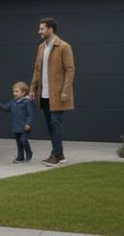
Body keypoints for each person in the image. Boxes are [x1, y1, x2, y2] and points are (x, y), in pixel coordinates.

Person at [28, 17, 75, 167]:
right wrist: (32, 89)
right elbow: (37, 69)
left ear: (50, 29)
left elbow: (70, 70)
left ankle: (56, 154)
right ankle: (59, 154)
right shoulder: (41, 47)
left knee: (55, 123)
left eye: (42, 28)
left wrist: (65, 90)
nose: (39, 31)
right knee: (50, 124)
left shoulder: (64, 46)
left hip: (59, 94)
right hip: (44, 94)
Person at [0, 81, 34, 163]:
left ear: (23, 92)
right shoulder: (13, 102)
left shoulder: (27, 102)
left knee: (23, 140)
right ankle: (20, 157)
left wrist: (28, 124)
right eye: (14, 92)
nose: (15, 93)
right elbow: (5, 108)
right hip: (16, 127)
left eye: (17, 92)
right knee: (19, 143)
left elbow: (30, 115)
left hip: (24, 127)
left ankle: (29, 152)